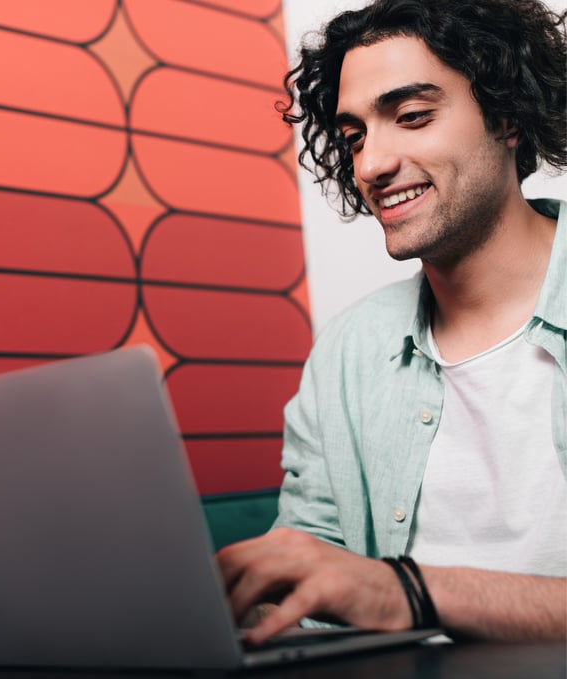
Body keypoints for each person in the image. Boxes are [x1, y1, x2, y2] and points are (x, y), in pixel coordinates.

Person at [217, 0, 567, 644]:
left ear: (508, 115)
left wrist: (409, 592)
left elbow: (381, 591)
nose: (372, 164)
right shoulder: (351, 349)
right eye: (354, 136)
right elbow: (312, 559)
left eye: (411, 117)